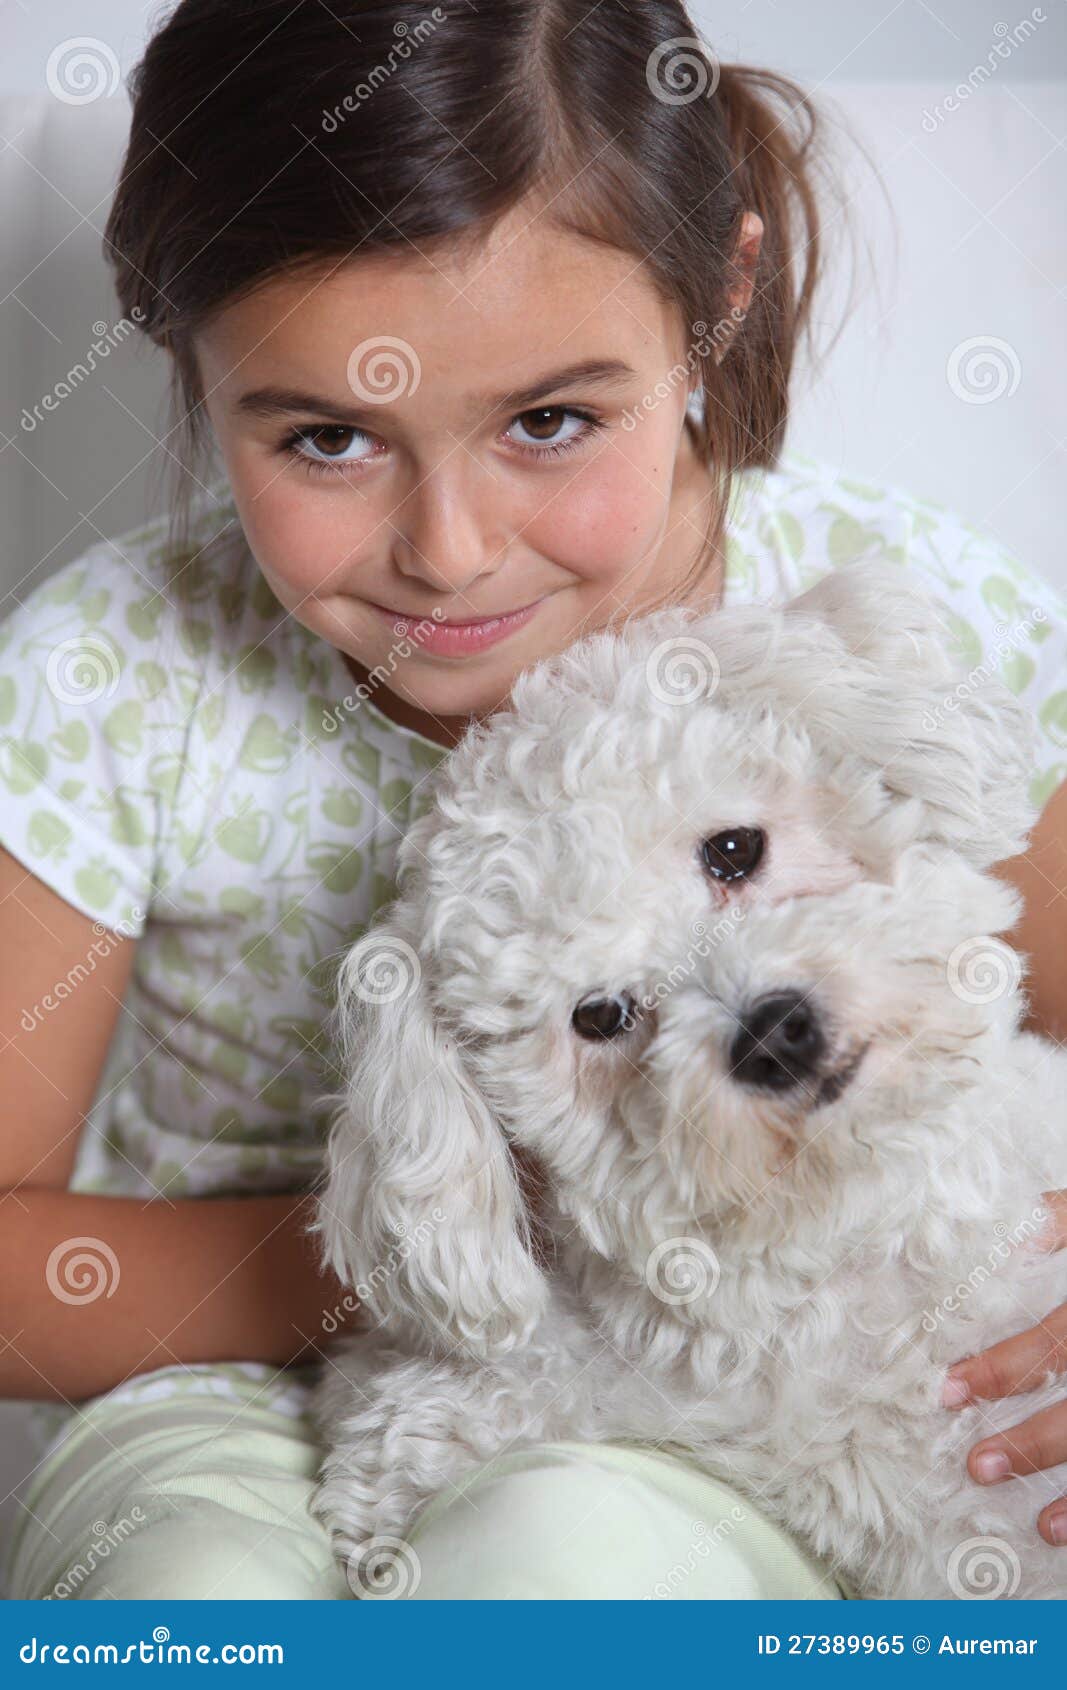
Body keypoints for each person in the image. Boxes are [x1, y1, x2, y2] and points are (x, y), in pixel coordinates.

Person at [2, 0, 1065, 1602]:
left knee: (564, 1569)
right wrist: (467, 1259)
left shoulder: (873, 611)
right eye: (329, 435)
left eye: (550, 420)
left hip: (765, 1410)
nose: (449, 547)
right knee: (192, 1598)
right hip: (220, 1386)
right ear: (186, 356)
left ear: (720, 298)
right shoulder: (116, 671)